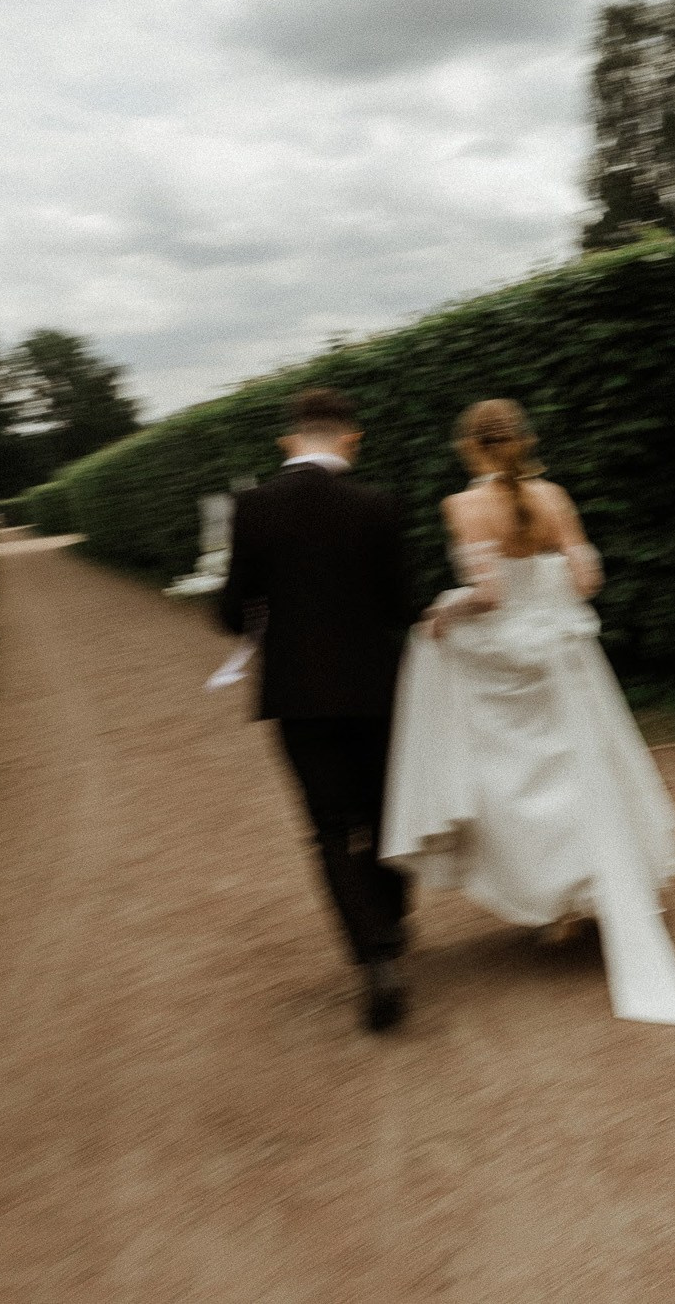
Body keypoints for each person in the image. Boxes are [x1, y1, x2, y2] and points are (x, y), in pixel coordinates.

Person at [382, 400, 675, 1028]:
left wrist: (443, 614)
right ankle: (601, 890)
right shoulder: (555, 497)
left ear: (468, 448)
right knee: (589, 769)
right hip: (563, 656)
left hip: (507, 659)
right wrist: (548, 594)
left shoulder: (463, 507)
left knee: (523, 777)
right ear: (526, 441)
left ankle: (561, 901)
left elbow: (488, 595)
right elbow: (587, 580)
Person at [219, 387, 422, 1032]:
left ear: (290, 441)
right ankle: (390, 917)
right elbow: (403, 605)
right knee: (390, 812)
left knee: (329, 829)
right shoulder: (377, 504)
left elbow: (230, 610)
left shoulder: (252, 508)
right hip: (375, 691)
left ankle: (373, 960)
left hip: (298, 697)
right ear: (350, 438)